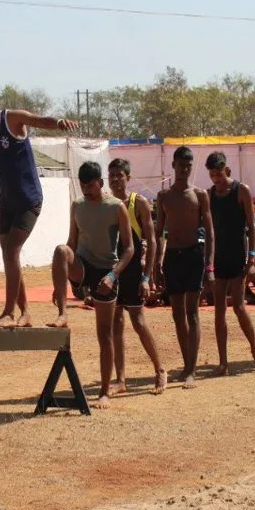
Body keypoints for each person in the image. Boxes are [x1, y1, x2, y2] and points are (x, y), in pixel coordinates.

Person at [0, 83, 76, 328]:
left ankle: (9, 313)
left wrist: (58, 123)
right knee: (8, 254)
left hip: (29, 198)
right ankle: (25, 313)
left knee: (11, 250)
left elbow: (40, 120)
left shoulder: (12, 119)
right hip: (7, 199)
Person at [48, 162, 134, 408]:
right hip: (83, 265)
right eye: (83, 185)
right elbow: (71, 242)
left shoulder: (116, 207)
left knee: (104, 334)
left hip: (106, 271)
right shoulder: (77, 206)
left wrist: (113, 276)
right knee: (60, 251)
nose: (86, 189)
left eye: (91, 185)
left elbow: (129, 248)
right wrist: (61, 280)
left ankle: (105, 391)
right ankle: (63, 313)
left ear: (101, 183)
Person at [106, 159, 168, 393]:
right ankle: (121, 380)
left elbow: (151, 241)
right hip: (114, 269)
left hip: (133, 271)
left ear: (128, 177)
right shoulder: (108, 204)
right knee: (116, 324)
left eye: (119, 175)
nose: (115, 179)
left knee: (139, 322)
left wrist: (147, 276)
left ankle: (160, 369)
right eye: (111, 175)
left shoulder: (138, 203)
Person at [204, 152, 255, 375]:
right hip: (219, 257)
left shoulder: (242, 190)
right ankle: (223, 363)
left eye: (219, 174)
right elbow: (210, 233)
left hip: (239, 255)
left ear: (227, 171)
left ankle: (254, 349)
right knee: (218, 311)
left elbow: (252, 227)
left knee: (239, 307)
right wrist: (209, 265)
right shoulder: (209, 194)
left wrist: (251, 260)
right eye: (212, 175)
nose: (216, 179)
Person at [155, 146, 212, 387]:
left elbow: (209, 232)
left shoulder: (199, 195)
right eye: (180, 165)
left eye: (188, 166)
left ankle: (191, 369)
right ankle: (187, 362)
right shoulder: (164, 196)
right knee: (177, 313)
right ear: (173, 166)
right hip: (172, 258)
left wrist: (209, 265)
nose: (184, 169)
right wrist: (157, 262)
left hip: (193, 255)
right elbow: (158, 233)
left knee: (193, 313)